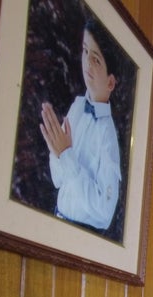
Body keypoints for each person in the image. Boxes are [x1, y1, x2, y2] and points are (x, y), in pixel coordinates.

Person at [40, 17, 121, 232]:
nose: (87, 63)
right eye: (85, 51)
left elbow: (104, 213)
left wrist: (66, 155)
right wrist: (56, 151)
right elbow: (58, 180)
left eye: (96, 59)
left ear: (110, 82)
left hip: (80, 234)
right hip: (57, 222)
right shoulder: (76, 107)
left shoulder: (107, 136)